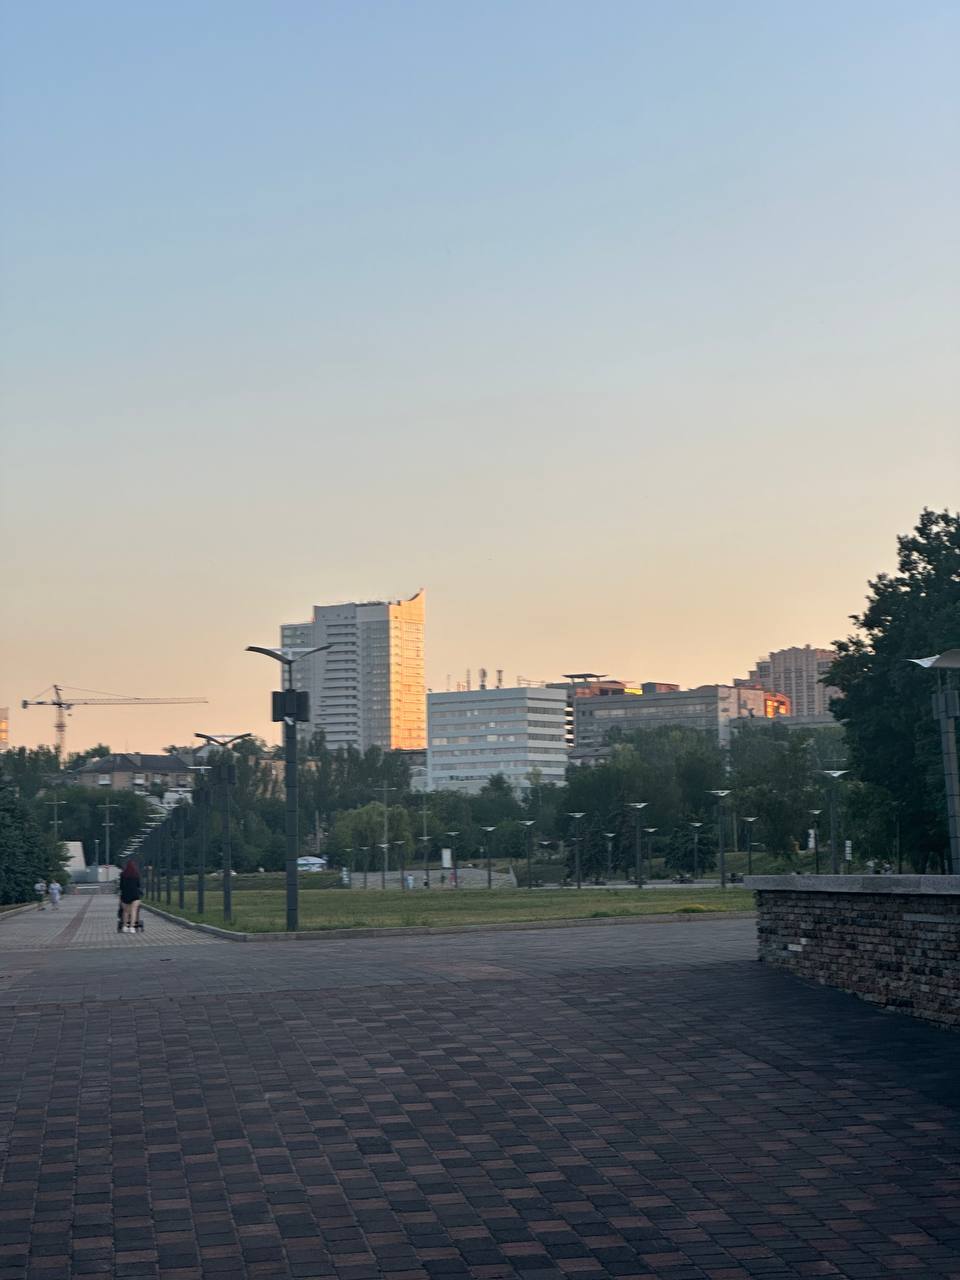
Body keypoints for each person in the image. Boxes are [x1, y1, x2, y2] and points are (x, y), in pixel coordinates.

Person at [119, 858, 142, 932]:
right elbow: (138, 885)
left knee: (125, 911)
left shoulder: (123, 874)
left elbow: (121, 886)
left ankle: (125, 927)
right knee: (134, 911)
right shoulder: (136, 874)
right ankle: (132, 927)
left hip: (125, 895)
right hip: (135, 894)